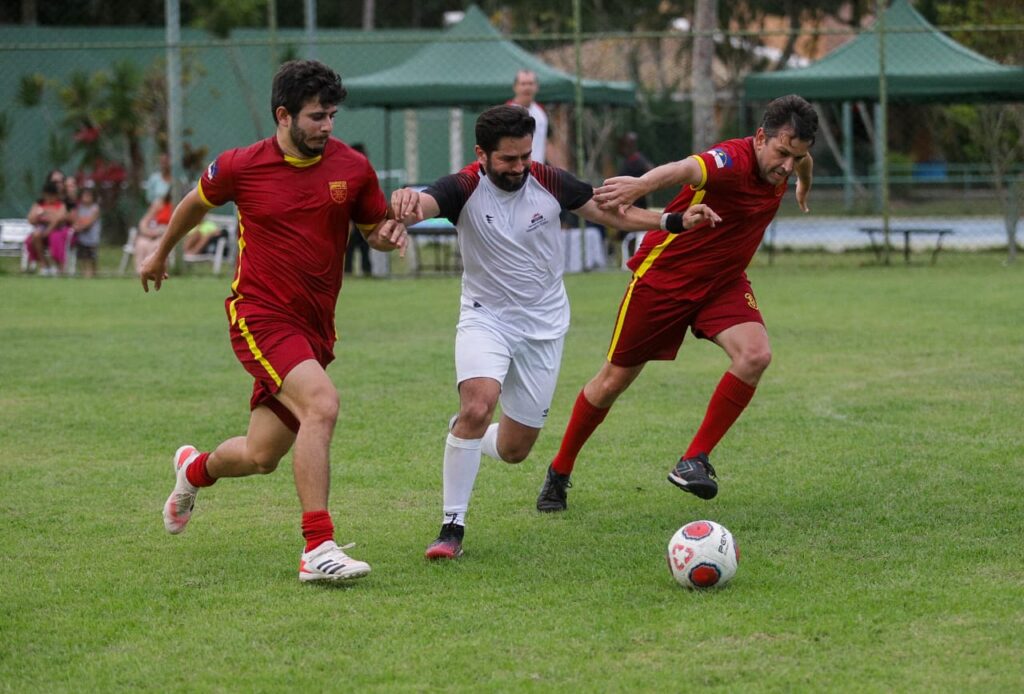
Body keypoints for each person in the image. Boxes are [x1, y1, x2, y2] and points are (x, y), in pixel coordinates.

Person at [390, 104, 718, 560]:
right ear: (481, 154)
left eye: (525, 156)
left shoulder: (548, 180)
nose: (519, 167)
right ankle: (451, 527)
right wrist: (404, 205)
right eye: (508, 159)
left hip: (543, 327)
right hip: (486, 318)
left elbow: (613, 214)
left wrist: (673, 221)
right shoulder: (463, 186)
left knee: (515, 449)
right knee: (478, 403)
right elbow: (423, 204)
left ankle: (466, 433)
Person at [140, 59, 408, 583]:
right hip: (260, 316)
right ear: (283, 116)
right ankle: (317, 547)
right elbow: (194, 204)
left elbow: (373, 229)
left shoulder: (353, 167)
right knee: (321, 404)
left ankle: (194, 469)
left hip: (315, 328)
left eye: (331, 116)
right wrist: (159, 252)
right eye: (316, 117)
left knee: (261, 455)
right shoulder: (241, 165)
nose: (327, 126)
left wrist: (388, 234)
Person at [534, 93, 818, 512]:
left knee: (755, 355)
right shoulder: (730, 161)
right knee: (613, 381)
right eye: (782, 154)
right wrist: (640, 185)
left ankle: (694, 460)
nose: (787, 166)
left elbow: (803, 162)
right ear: (760, 137)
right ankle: (559, 470)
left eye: (796, 157)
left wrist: (803, 183)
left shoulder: (788, 162)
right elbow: (685, 168)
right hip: (664, 281)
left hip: (722, 283)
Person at [25, 178, 71, 276]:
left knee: (55, 238)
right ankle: (44, 264)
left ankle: (59, 267)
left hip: (56, 230)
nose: (49, 198)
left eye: (52, 195)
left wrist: (48, 227)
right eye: (47, 195)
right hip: (41, 229)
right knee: (35, 235)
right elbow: (31, 218)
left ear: (56, 195)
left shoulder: (60, 205)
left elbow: (59, 219)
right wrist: (40, 217)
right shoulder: (39, 204)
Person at [344, 143, 374, 277]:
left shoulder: (367, 174)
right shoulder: (348, 175)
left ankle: (366, 271)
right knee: (350, 247)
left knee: (364, 247)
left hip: (363, 218)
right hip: (351, 218)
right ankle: (348, 272)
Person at [509, 70, 549, 164]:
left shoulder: (541, 113)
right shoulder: (507, 113)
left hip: (537, 169)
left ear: (536, 87)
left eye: (530, 84)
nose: (527, 88)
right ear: (515, 87)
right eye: (523, 84)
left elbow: (546, 142)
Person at [134, 192, 172, 276]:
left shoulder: (175, 206)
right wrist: (148, 232)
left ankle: (153, 272)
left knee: (155, 246)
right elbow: (143, 223)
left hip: (164, 235)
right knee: (141, 244)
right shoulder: (159, 204)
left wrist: (161, 231)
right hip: (151, 233)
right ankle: (140, 272)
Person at [70, 182, 102, 278]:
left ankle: (93, 274)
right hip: (82, 238)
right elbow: (75, 219)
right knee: (83, 257)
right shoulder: (79, 208)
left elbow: (89, 222)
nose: (86, 197)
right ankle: (85, 274)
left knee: (92, 257)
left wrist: (78, 227)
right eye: (85, 195)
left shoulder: (95, 208)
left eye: (89, 195)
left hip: (92, 239)